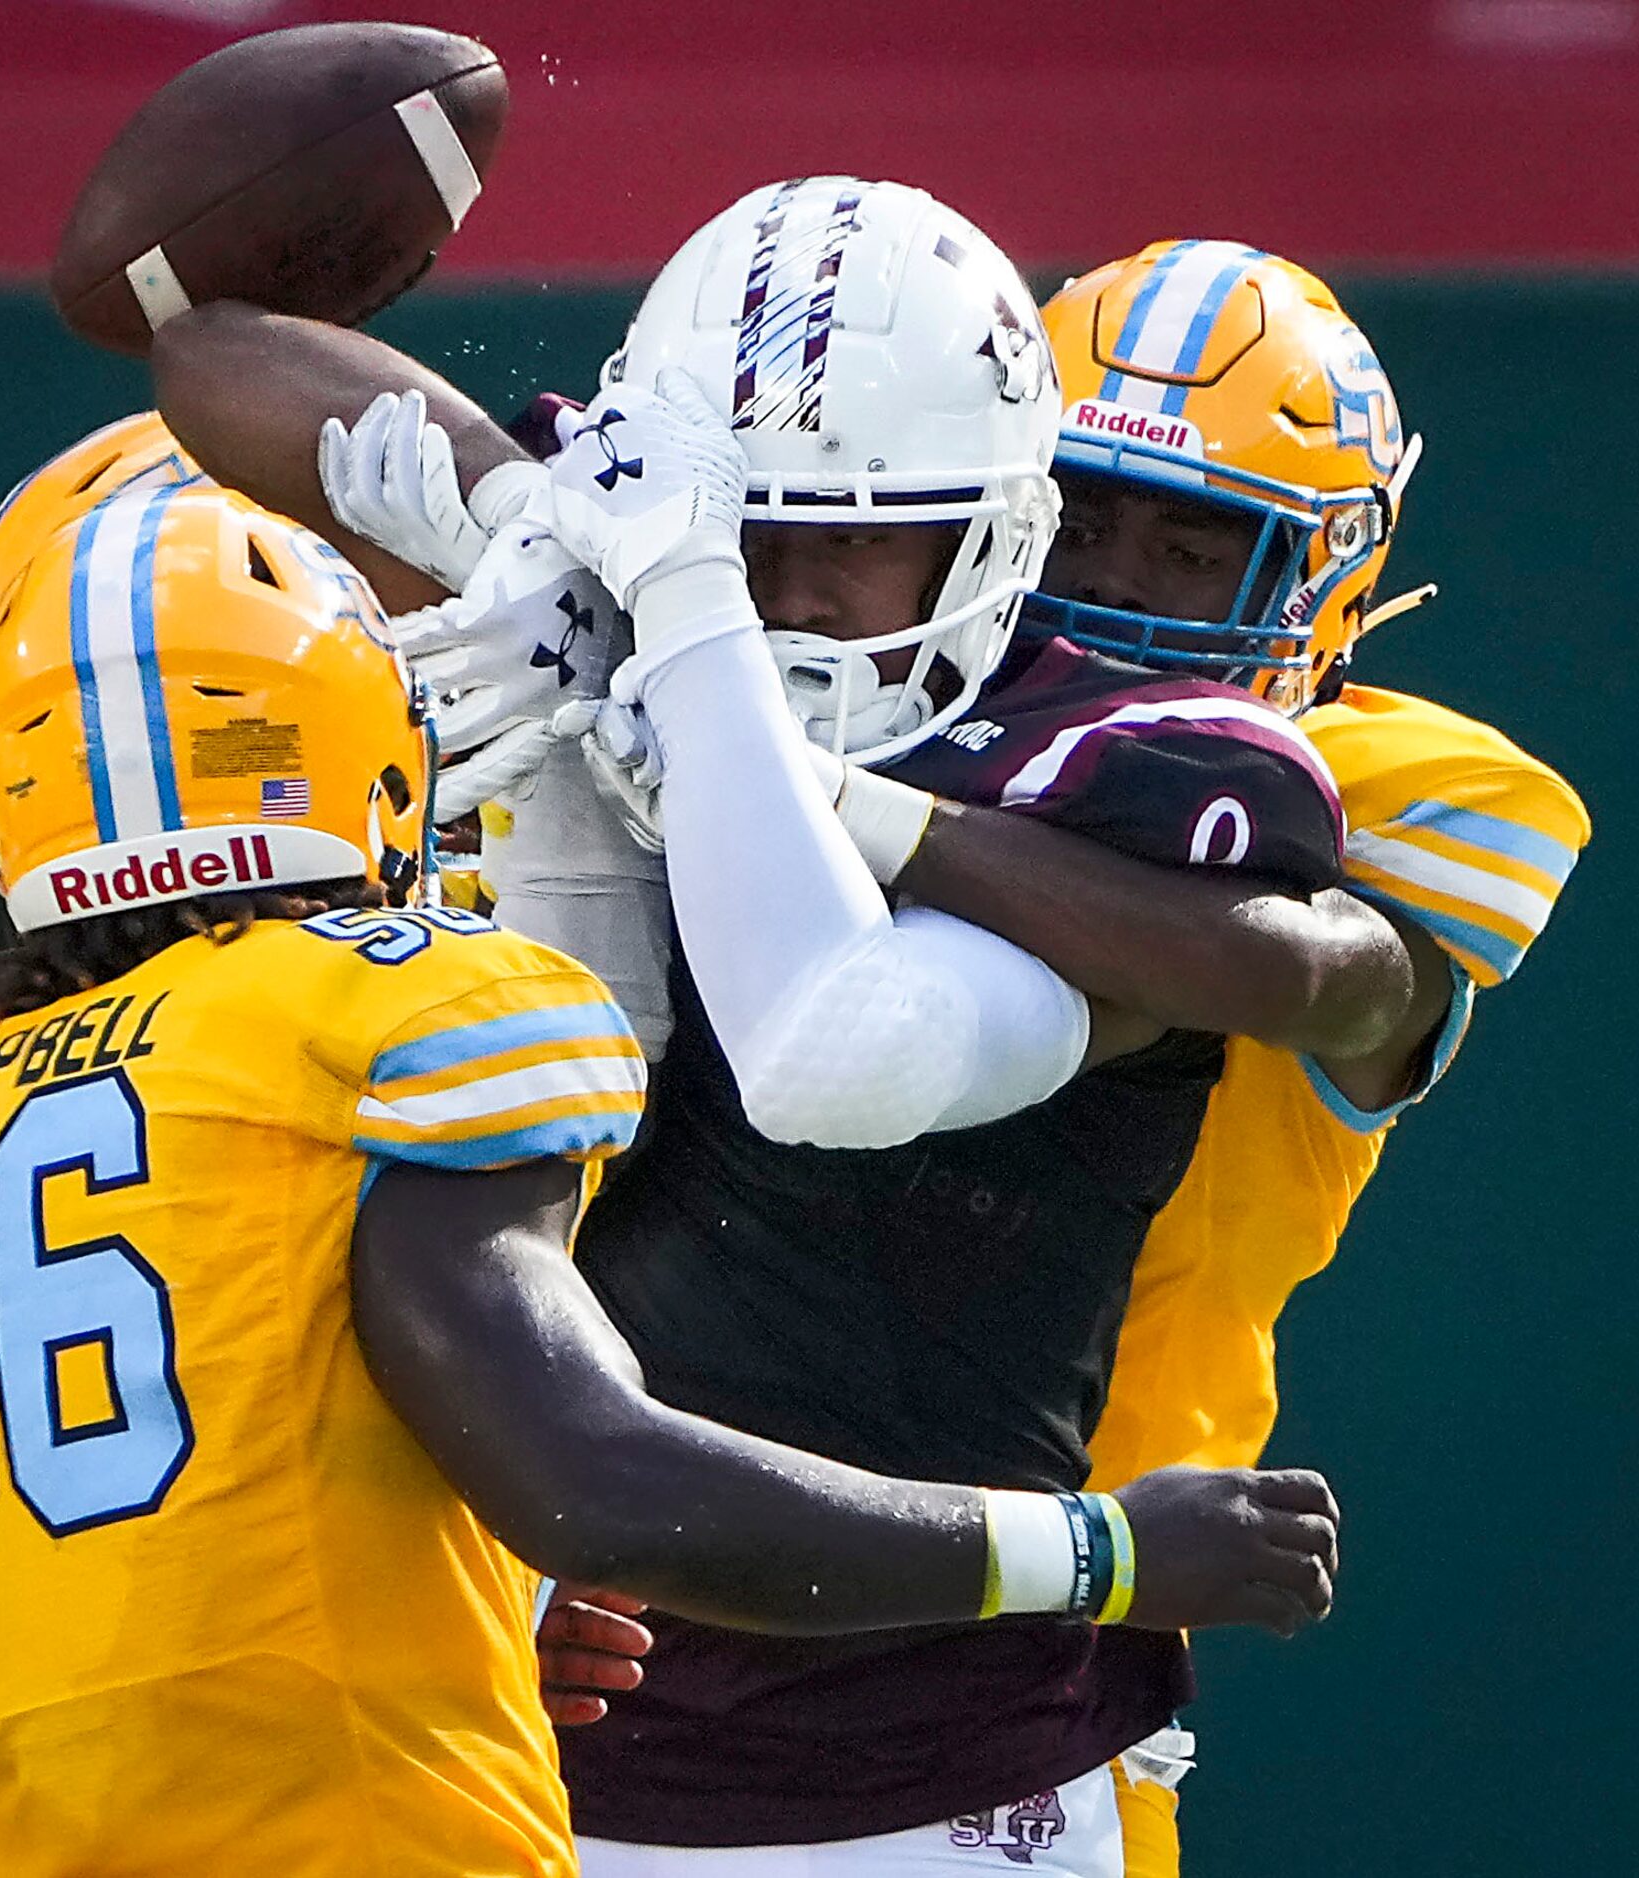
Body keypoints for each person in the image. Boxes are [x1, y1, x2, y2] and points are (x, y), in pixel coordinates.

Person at [0, 480, 1338, 1878]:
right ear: (359, 734)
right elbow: (606, 1488)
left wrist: (458, 1604)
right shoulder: (390, 1006)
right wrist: (1102, 1550)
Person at [286, 177, 1381, 1877]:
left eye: (1192, 544)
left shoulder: (1218, 770)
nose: (1118, 584)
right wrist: (528, 527)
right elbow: (207, 350)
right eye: (1097, 518)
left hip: (954, 1720)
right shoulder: (672, 586)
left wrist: (777, 747)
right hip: (551, 1708)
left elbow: (1332, 984)